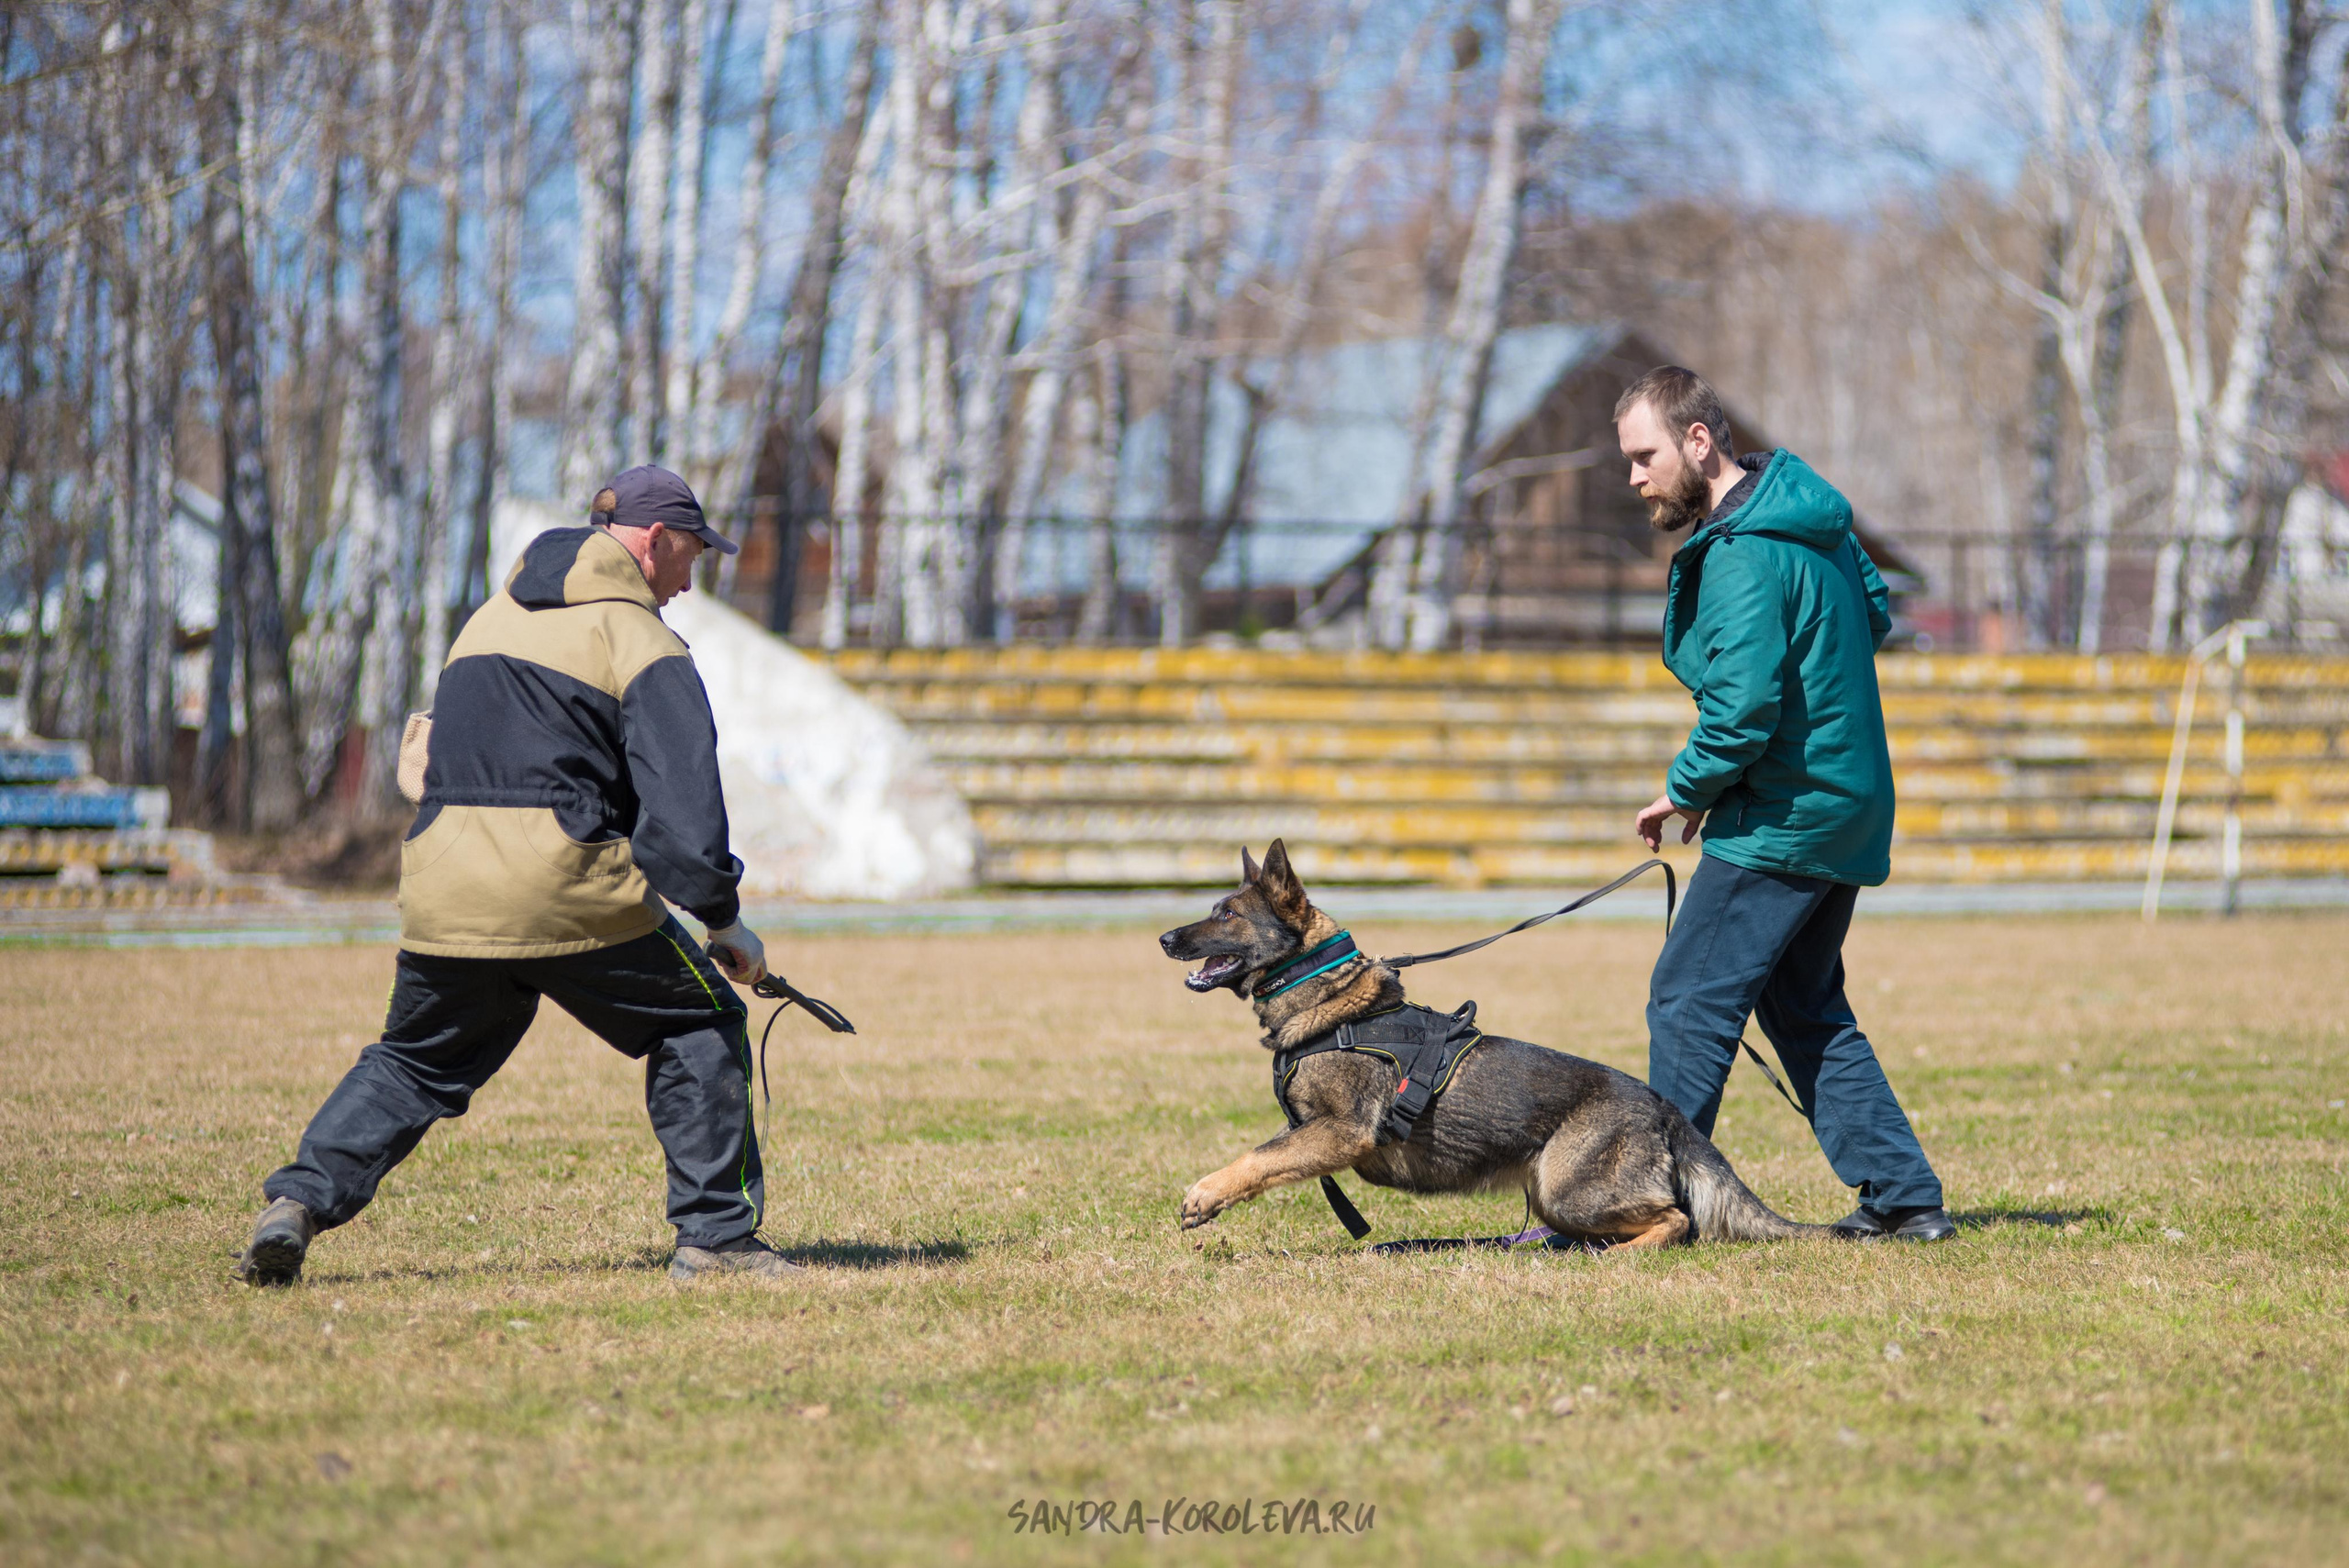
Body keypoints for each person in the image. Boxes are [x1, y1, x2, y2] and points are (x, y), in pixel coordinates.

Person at [237, 465, 802, 1284]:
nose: (691, 577)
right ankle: (717, 1239)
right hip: (564, 880)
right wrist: (722, 920)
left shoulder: (487, 623)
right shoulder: (639, 639)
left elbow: (424, 757)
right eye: (691, 554)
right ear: (654, 541)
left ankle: (295, 1203)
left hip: (443, 880)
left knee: (413, 1060)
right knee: (698, 1023)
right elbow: (683, 811)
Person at [1618, 366, 1953, 1242]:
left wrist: (1683, 791)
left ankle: (1653, 1199)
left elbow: (1741, 708)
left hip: (1786, 812)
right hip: (1844, 801)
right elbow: (1870, 614)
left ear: (1699, 441)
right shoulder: (1818, 523)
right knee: (1803, 1004)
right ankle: (1905, 1197)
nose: (1635, 477)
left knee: (1688, 994)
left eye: (1645, 455)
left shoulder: (1742, 550)